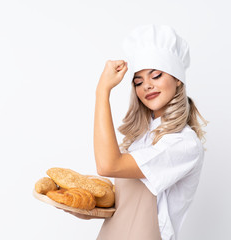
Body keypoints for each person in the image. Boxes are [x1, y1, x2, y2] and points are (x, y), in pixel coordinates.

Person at [69, 24, 208, 240]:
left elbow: (108, 165)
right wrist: (86, 207)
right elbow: (123, 206)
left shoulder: (184, 143)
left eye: (156, 75)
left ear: (178, 78)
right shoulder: (139, 138)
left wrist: (102, 92)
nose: (147, 86)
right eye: (138, 81)